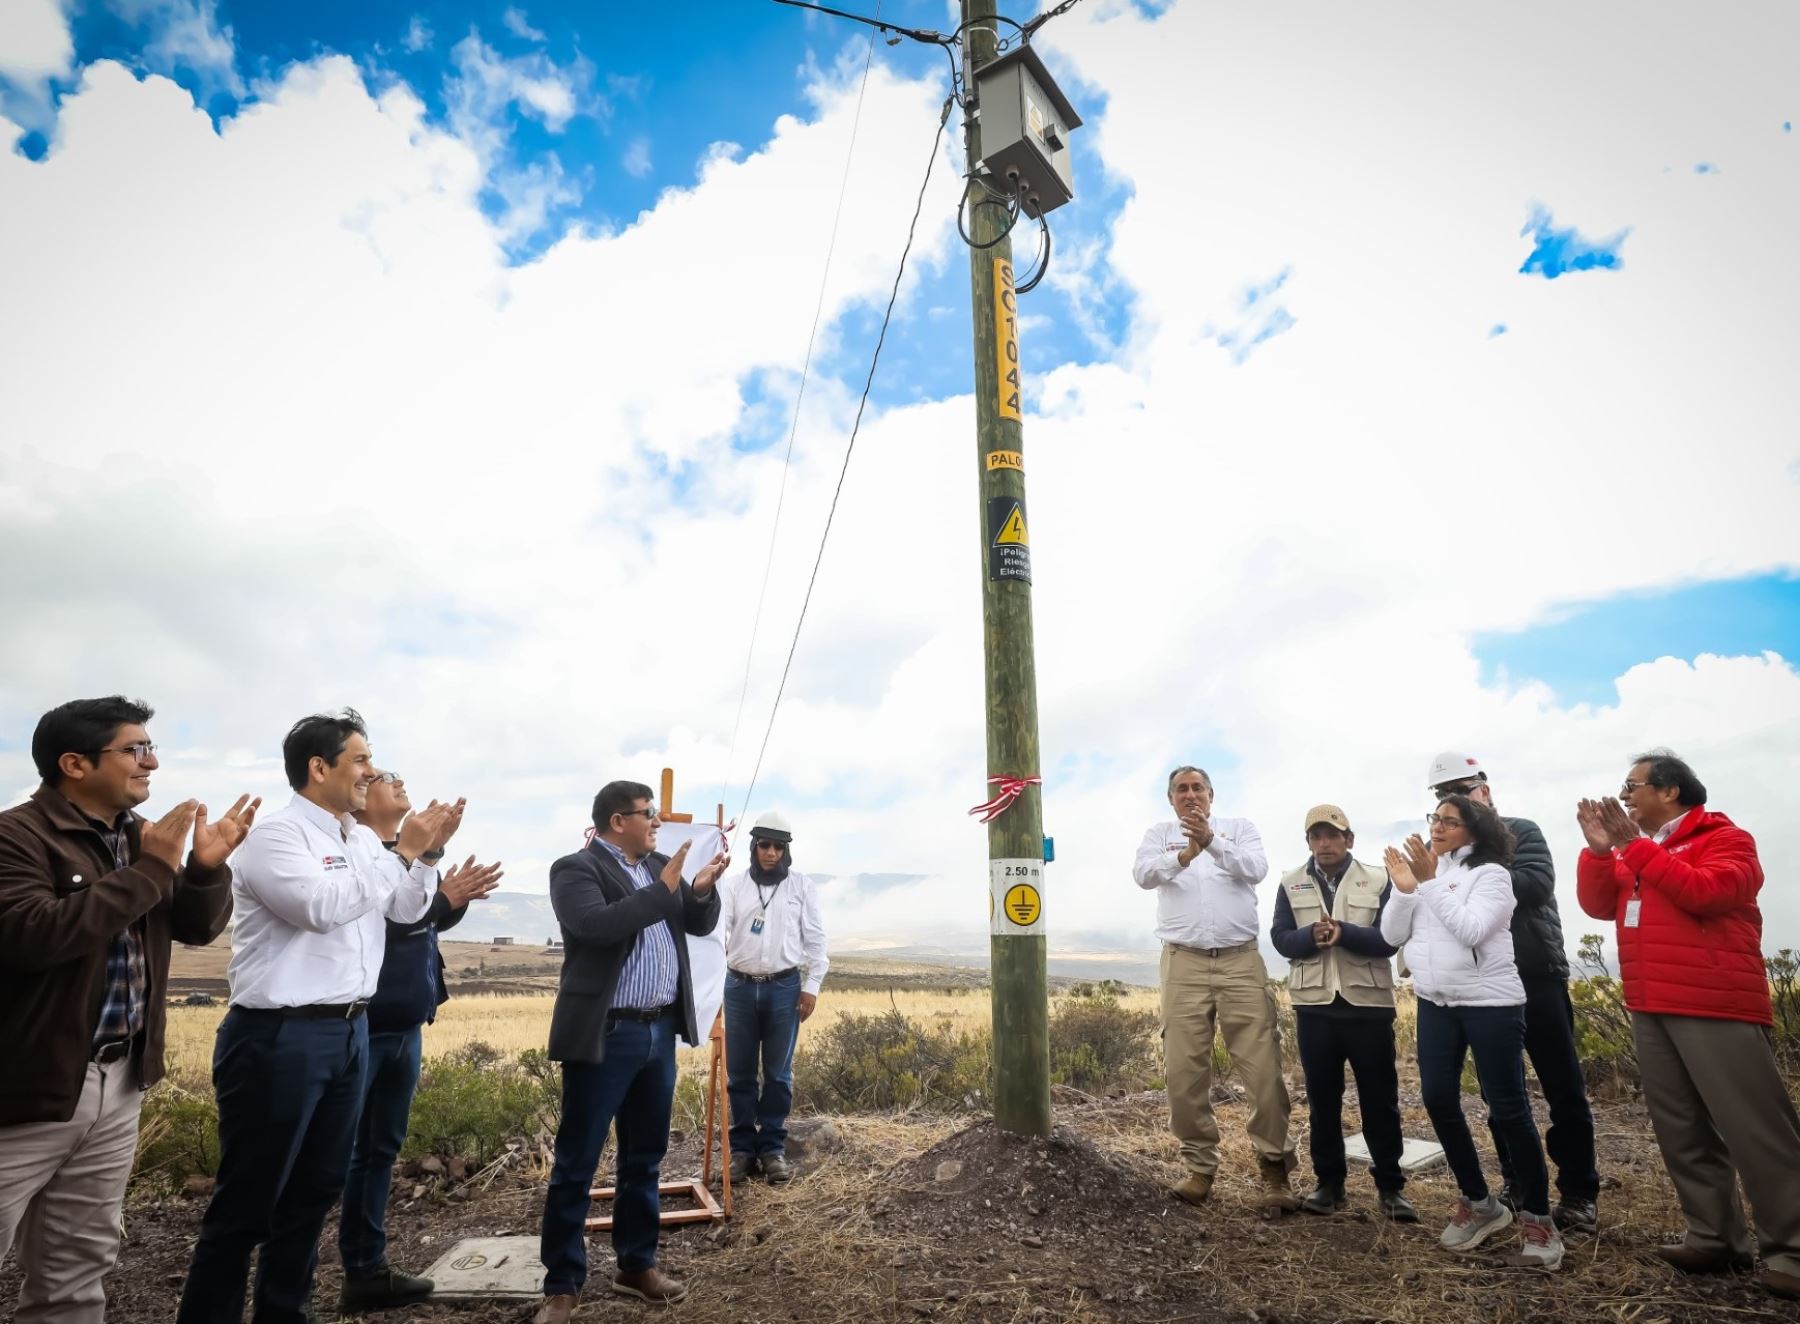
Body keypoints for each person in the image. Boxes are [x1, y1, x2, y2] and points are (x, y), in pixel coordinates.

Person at [177, 710, 458, 1324]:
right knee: (248, 1205)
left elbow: (407, 911)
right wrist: (401, 850)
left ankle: (285, 1313)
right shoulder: (276, 836)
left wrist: (426, 854)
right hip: (280, 1037)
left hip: (349, 1031)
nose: (372, 770)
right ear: (318, 767)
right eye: (361, 759)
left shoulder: (356, 838)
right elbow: (321, 908)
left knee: (312, 1195)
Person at [0, 697, 256, 1324]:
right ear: (75, 764)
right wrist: (151, 869)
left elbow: (193, 930)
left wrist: (200, 870)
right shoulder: (15, 836)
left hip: (118, 1082)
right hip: (26, 1088)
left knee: (77, 1269)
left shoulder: (140, 841)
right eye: (135, 749)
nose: (153, 762)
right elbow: (29, 937)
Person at [1575, 750, 1800, 1301]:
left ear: (1670, 790)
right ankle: (1715, 1237)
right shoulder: (1637, 851)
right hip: (1651, 1003)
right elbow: (1599, 905)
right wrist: (1601, 854)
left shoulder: (1727, 839)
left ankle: (1792, 1249)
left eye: (1632, 785)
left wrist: (1634, 846)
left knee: (1756, 1131)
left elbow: (1709, 893)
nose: (1624, 796)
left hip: (1716, 1003)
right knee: (1682, 1130)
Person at [535, 781, 729, 1320]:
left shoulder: (660, 866)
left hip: (657, 1033)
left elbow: (696, 921)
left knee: (644, 1157)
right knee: (577, 1161)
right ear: (618, 821)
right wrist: (664, 890)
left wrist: (701, 891)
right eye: (649, 815)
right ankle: (563, 1283)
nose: (657, 824)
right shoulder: (575, 869)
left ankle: (635, 1265)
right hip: (607, 1034)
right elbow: (596, 928)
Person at [336, 769, 503, 1313]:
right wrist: (439, 885)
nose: (396, 780)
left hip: (405, 1027)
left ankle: (367, 1269)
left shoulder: (400, 853)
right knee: (331, 1157)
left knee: (379, 1151)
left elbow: (420, 921)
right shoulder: (362, 855)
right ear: (361, 801)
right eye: (382, 778)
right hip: (363, 1027)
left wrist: (446, 889)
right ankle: (291, 1278)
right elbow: (377, 921)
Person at [1381, 794, 1564, 1270]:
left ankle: (1539, 1221)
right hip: (1435, 1001)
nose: (1438, 828)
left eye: (1450, 821)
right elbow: (1390, 937)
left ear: (1475, 831)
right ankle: (1481, 1203)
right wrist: (1404, 891)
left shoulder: (1494, 876)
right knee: (1438, 1099)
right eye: (1434, 819)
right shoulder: (1429, 877)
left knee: (1507, 1109)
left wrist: (1425, 883)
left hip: (1491, 1004)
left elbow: (1470, 930)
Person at [1424, 752, 1598, 1232]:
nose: (1454, 797)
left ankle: (1580, 1193)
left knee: (1563, 1088)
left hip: (1535, 975)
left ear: (1485, 787)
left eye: (1464, 786)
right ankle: (1519, 1185)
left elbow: (1535, 885)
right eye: (1443, 793)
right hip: (1482, 990)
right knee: (1502, 1095)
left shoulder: (1522, 831)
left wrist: (1476, 871)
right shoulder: (1442, 854)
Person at [1132, 765, 1298, 1213]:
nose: (1190, 795)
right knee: (1183, 1073)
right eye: (1181, 789)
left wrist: (1211, 842)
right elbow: (1144, 875)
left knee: (1262, 1070)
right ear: (1170, 799)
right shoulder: (1158, 834)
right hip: (1183, 962)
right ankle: (1200, 1168)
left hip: (1240, 960)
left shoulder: (1240, 830)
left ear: (1212, 794)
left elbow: (1257, 869)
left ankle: (1274, 1169)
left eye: (1197, 788)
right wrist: (1184, 855)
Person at [1269, 805, 1415, 1222]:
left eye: (1333, 835)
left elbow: (1391, 939)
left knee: (1380, 1101)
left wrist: (1345, 933)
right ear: (1308, 843)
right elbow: (1280, 938)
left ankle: (1390, 1188)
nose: (1324, 843)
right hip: (1314, 1007)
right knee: (1322, 1101)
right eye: (1316, 836)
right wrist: (1309, 937)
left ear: (1349, 839)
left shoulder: (1379, 878)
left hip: (1368, 1006)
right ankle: (1328, 1185)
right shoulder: (1290, 882)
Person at [717, 811, 829, 1184]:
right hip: (739, 986)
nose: (770, 853)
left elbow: (815, 939)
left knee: (779, 1075)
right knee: (740, 1074)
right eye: (764, 845)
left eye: (777, 847)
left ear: (786, 850)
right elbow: (718, 934)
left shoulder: (801, 887)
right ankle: (744, 1152)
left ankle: (773, 1149)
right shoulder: (732, 886)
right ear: (753, 847)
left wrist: (811, 985)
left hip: (784, 988)